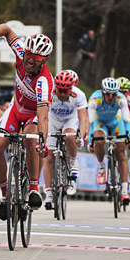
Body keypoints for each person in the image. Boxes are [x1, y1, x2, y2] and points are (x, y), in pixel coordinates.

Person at [0, 24, 54, 220]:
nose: (30, 60)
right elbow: (6, 29)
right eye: (29, 55)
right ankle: (5, 195)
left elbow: (42, 115)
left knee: (31, 140)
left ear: (44, 60)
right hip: (15, 109)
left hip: (33, 113)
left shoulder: (44, 81)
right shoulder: (21, 51)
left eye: (37, 59)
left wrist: (42, 141)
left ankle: (33, 187)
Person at [43, 70, 89, 210]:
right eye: (60, 91)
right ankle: (49, 194)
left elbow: (84, 118)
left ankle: (73, 162)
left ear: (71, 89)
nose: (62, 94)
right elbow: (42, 115)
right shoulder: (48, 92)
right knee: (49, 157)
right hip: (52, 119)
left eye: (65, 91)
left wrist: (81, 135)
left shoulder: (79, 95)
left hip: (70, 119)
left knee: (70, 136)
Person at [88, 77, 130, 205]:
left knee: (121, 153)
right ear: (102, 92)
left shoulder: (121, 99)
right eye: (108, 94)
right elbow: (91, 123)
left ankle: (124, 191)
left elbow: (127, 120)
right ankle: (102, 166)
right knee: (100, 141)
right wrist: (91, 140)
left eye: (114, 94)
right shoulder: (94, 99)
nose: (111, 97)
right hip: (99, 123)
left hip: (115, 123)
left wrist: (128, 136)